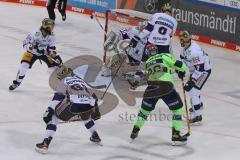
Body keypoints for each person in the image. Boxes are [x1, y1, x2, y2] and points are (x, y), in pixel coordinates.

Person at [130, 44, 188, 145]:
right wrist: (181, 72)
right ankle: (176, 135)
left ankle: (135, 129)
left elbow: (142, 76)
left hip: (151, 89)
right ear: (157, 51)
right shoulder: (164, 56)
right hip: (166, 87)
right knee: (177, 110)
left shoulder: (147, 63)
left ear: (147, 53)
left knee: (144, 112)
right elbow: (180, 65)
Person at [35, 66, 101, 154]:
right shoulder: (82, 81)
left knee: (53, 118)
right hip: (88, 105)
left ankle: (45, 142)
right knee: (86, 117)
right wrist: (96, 110)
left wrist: (50, 109)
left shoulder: (64, 81)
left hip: (73, 105)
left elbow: (58, 96)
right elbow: (92, 96)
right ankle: (95, 134)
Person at [9, 18, 62, 91]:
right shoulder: (35, 32)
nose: (52, 29)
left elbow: (52, 49)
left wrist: (54, 56)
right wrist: (33, 47)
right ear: (46, 27)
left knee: (55, 69)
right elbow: (25, 44)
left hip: (44, 53)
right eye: (51, 27)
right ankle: (17, 82)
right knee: (23, 67)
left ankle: (60, 87)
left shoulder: (52, 36)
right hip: (32, 53)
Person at [179, 30, 211, 125]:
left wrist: (192, 81)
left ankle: (198, 116)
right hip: (195, 70)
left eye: (183, 40)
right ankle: (198, 105)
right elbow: (182, 59)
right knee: (192, 91)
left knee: (193, 91)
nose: (182, 42)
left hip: (203, 71)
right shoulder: (185, 47)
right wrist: (181, 70)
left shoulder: (194, 51)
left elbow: (200, 69)